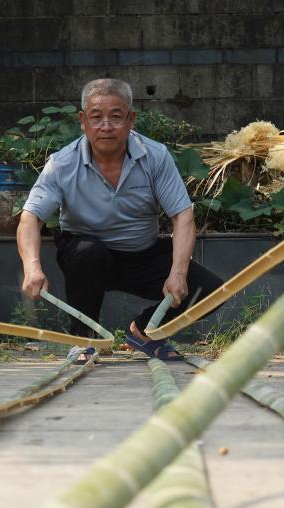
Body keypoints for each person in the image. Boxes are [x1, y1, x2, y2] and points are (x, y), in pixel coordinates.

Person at [16, 78, 223, 362]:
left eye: (116, 117)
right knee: (89, 253)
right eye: (96, 117)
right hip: (86, 257)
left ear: (130, 120)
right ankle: (83, 339)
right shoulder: (62, 163)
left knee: (212, 290)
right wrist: (32, 268)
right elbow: (30, 218)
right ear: (82, 121)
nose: (106, 126)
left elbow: (183, 215)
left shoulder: (155, 157)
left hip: (142, 254)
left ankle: (145, 333)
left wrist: (178, 273)